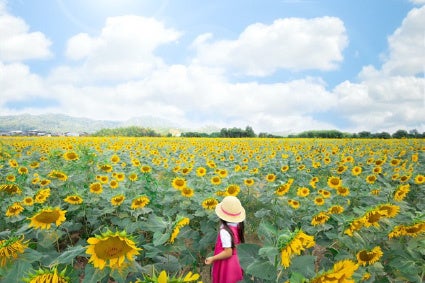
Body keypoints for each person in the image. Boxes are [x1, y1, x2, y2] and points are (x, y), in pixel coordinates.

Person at [205, 196, 245, 283]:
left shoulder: (225, 231)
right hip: (237, 262)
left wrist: (213, 258)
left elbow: (228, 252)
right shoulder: (238, 224)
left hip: (227, 265)